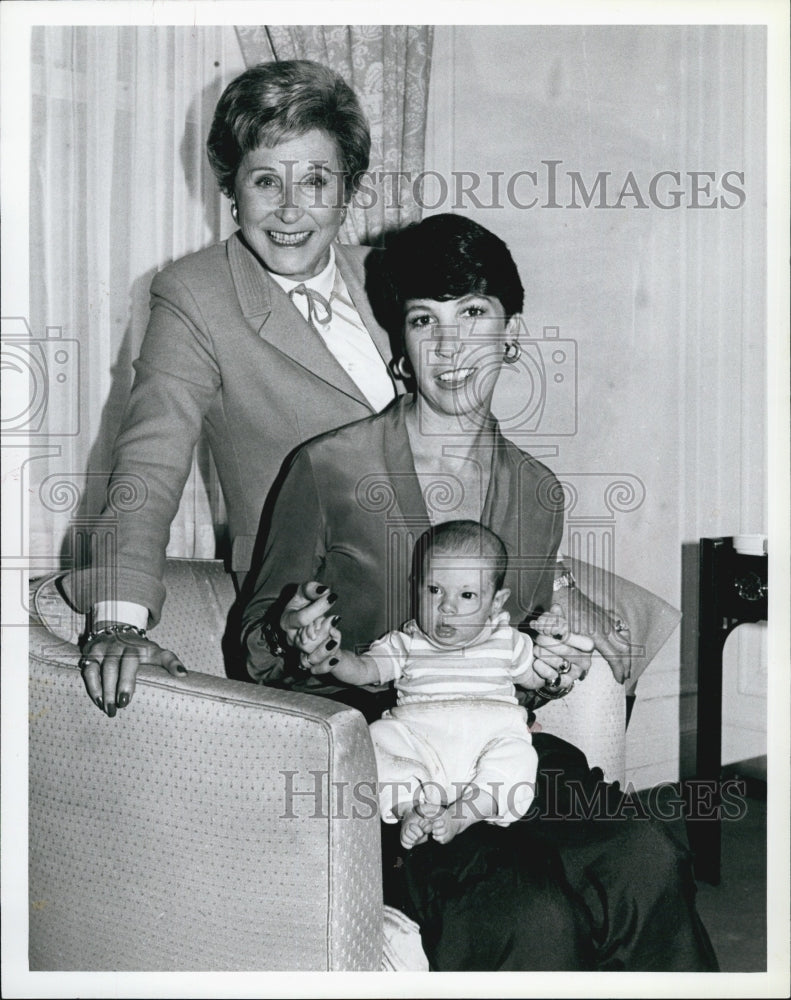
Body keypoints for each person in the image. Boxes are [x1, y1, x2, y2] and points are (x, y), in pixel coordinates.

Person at [241, 212, 719, 971]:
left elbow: (510, 650)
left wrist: (546, 668)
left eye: (472, 313)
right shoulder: (326, 469)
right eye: (422, 320)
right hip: (381, 764)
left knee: (645, 855)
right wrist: (290, 637)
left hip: (498, 752)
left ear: (511, 332)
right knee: (525, 907)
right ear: (400, 342)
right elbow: (255, 650)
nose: (448, 346)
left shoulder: (537, 494)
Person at [64, 60, 400, 716]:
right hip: (310, 625)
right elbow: (148, 463)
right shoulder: (196, 295)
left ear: (349, 190)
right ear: (232, 189)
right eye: (266, 180)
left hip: (444, 607)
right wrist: (115, 623)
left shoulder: (390, 276)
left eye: (315, 181)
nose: (290, 210)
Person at [301, 520, 541, 849]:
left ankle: (463, 814)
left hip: (488, 738)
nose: (447, 606)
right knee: (377, 738)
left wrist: (560, 647)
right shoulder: (407, 642)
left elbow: (537, 675)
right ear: (417, 586)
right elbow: (366, 669)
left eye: (467, 595)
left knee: (519, 755)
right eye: (434, 590)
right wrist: (330, 655)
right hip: (421, 744)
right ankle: (410, 808)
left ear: (496, 603)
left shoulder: (508, 640)